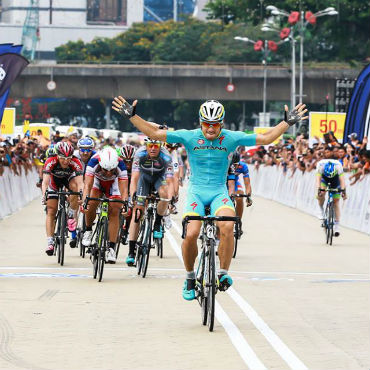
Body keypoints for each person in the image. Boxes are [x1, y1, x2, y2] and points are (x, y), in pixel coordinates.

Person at [112, 96, 307, 300]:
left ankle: (222, 273)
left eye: (215, 125)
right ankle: (189, 277)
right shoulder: (189, 136)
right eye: (206, 124)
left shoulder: (231, 137)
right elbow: (155, 133)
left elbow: (267, 138)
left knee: (228, 226)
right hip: (197, 192)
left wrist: (287, 122)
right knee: (191, 233)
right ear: (200, 122)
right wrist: (133, 117)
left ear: (221, 123)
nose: (210, 129)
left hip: (218, 192)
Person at [125, 138, 174, 266]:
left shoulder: (166, 156)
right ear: (146, 146)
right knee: (137, 213)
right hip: (144, 179)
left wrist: (171, 197)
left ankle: (157, 222)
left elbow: (170, 181)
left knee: (164, 194)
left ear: (160, 146)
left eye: (156, 145)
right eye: (150, 145)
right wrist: (133, 195)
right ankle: (131, 251)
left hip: (159, 179)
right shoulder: (139, 154)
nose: (153, 148)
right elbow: (134, 178)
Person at [81, 147, 129, 263]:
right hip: (97, 181)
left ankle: (112, 248)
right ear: (100, 164)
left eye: (111, 170)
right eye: (105, 170)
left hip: (114, 183)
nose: (108, 173)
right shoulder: (93, 162)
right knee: (91, 202)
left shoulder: (121, 165)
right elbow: (87, 186)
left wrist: (125, 205)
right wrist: (85, 202)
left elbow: (124, 190)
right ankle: (88, 230)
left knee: (115, 211)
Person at [42, 142, 84, 256]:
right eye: (62, 158)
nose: (66, 161)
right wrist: (44, 195)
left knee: (75, 188)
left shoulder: (76, 162)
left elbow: (80, 183)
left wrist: (81, 195)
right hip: (53, 182)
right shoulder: (51, 160)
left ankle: (71, 214)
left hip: (68, 179)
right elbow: (45, 181)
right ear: (57, 156)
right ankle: (50, 241)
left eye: (68, 158)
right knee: (51, 210)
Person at [316, 156, 347, 236]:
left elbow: (342, 181)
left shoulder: (338, 166)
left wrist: (343, 191)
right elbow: (318, 180)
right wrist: (319, 190)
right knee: (321, 193)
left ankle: (337, 226)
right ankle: (321, 210)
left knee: (336, 202)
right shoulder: (320, 166)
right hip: (324, 179)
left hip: (335, 180)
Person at [227, 151, 252, 232]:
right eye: (232, 164)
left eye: (236, 164)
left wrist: (248, 196)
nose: (234, 167)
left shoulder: (243, 166)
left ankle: (238, 221)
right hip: (223, 183)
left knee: (240, 197)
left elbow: (247, 184)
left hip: (235, 182)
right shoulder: (224, 165)